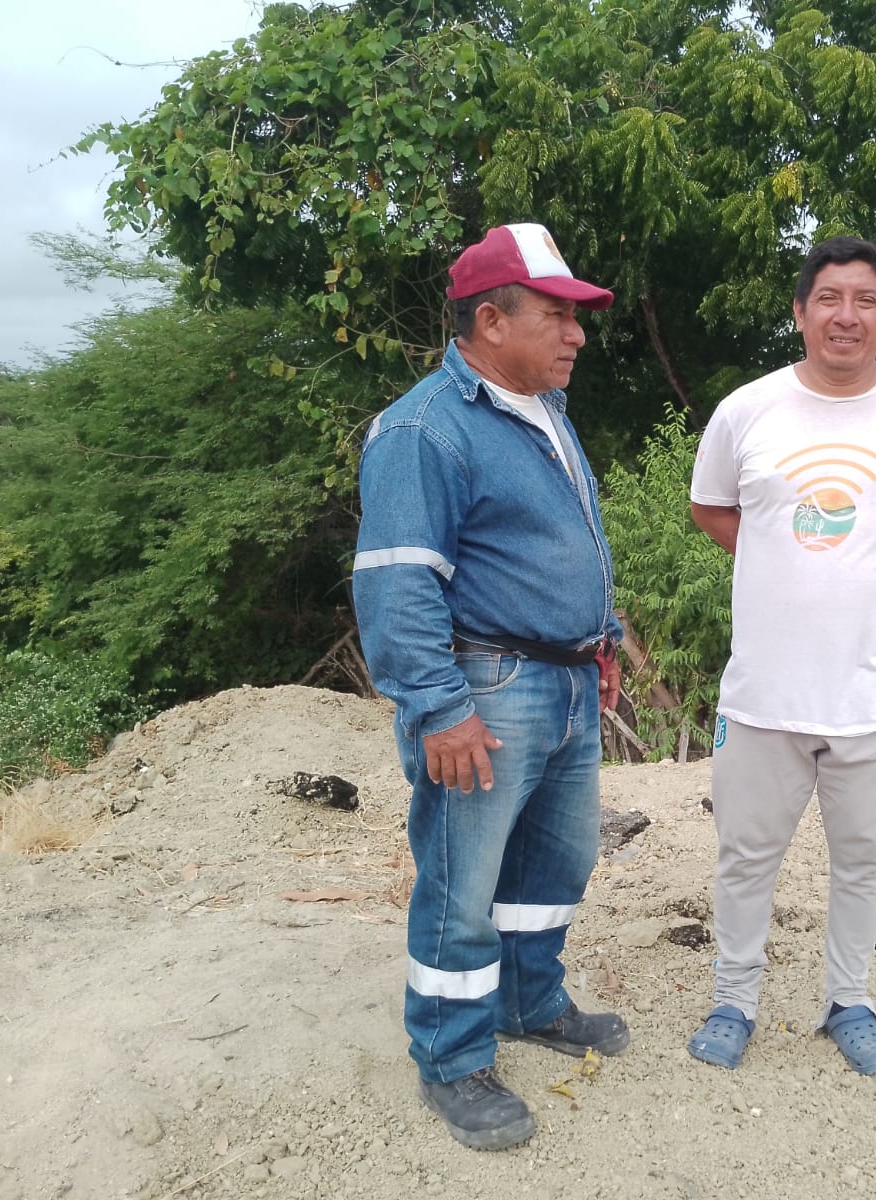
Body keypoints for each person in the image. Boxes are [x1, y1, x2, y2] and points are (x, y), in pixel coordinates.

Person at [352, 222, 629, 1151]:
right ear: (490, 320)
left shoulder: (544, 408)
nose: (577, 334)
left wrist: (603, 639)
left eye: (578, 318)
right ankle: (452, 1056)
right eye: (557, 315)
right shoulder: (425, 429)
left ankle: (527, 1002)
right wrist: (439, 708)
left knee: (555, 865)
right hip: (487, 687)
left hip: (565, 681)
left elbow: (563, 542)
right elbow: (397, 581)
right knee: (462, 883)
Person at [686, 235, 876, 1076]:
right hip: (763, 696)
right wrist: (784, 560)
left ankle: (848, 1000)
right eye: (829, 298)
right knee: (746, 858)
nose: (845, 316)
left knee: (862, 862)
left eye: (864, 300)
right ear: (800, 312)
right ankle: (734, 1000)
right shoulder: (748, 410)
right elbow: (711, 508)